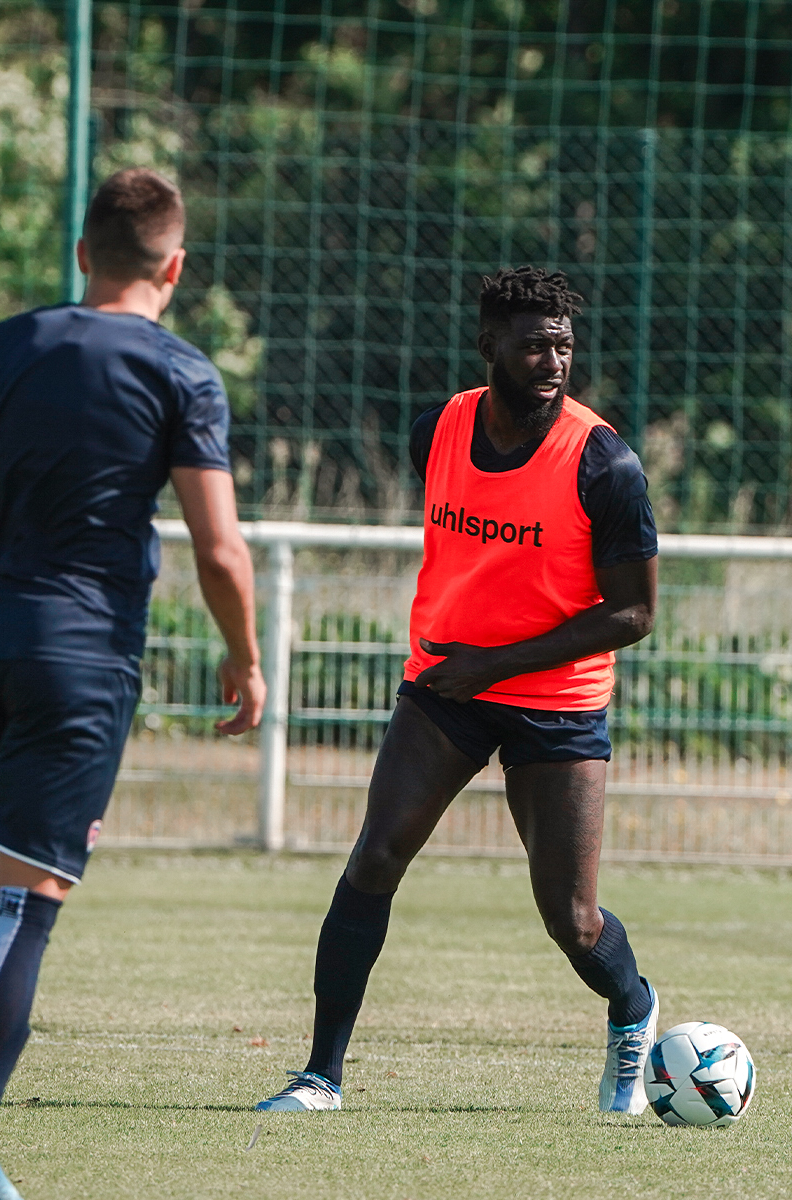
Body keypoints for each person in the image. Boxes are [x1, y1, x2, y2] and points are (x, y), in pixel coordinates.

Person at [0, 167, 265, 1200]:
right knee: (25, 905)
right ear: (174, 268)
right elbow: (220, 550)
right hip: (78, 662)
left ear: (83, 253)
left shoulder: (6, 345)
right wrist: (246, 655)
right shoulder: (181, 374)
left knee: (9, 887)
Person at [256, 266, 661, 1114]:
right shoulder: (437, 427)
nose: (552, 361)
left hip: (559, 699)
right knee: (375, 858)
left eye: (563, 345)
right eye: (532, 345)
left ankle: (632, 1008)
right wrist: (468, 662)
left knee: (572, 919)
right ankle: (321, 1076)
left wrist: (496, 663)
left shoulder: (605, 463)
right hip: (446, 686)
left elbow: (632, 614)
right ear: (489, 349)